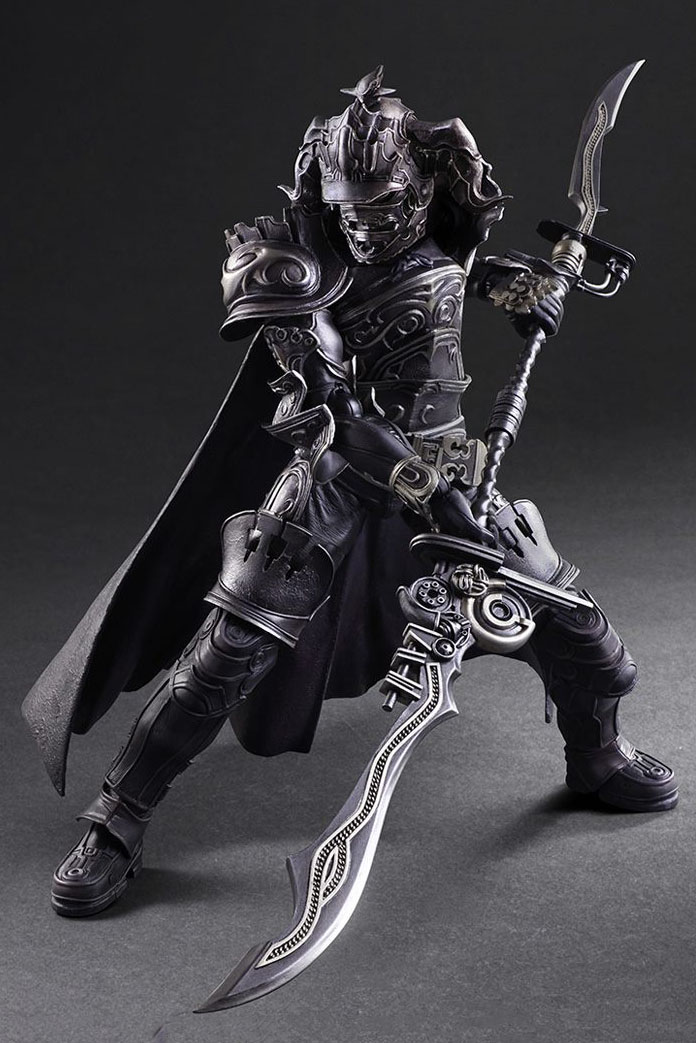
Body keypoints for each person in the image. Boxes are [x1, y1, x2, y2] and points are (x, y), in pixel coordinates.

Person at [23, 66, 677, 919]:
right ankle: (118, 816)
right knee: (229, 648)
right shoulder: (288, 266)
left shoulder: (438, 228)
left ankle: (596, 754)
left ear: (420, 187)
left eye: (386, 207)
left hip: (450, 469)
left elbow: (448, 278)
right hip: (338, 478)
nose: (366, 227)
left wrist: (527, 288)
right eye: (351, 212)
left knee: (579, 628)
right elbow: (329, 405)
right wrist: (417, 484)